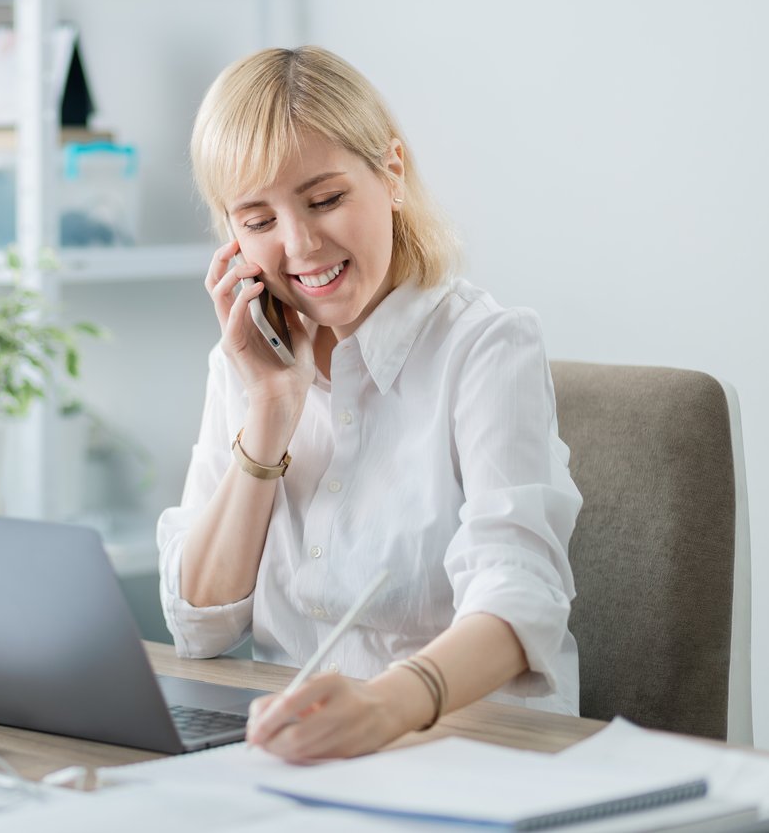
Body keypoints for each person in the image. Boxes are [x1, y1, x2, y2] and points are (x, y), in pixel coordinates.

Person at [158, 46, 582, 762]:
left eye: (325, 200)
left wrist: (387, 704)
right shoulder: (245, 365)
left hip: (467, 752)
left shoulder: (486, 347)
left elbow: (521, 593)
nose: (299, 244)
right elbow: (197, 627)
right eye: (257, 220)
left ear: (391, 173)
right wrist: (268, 412)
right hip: (297, 755)